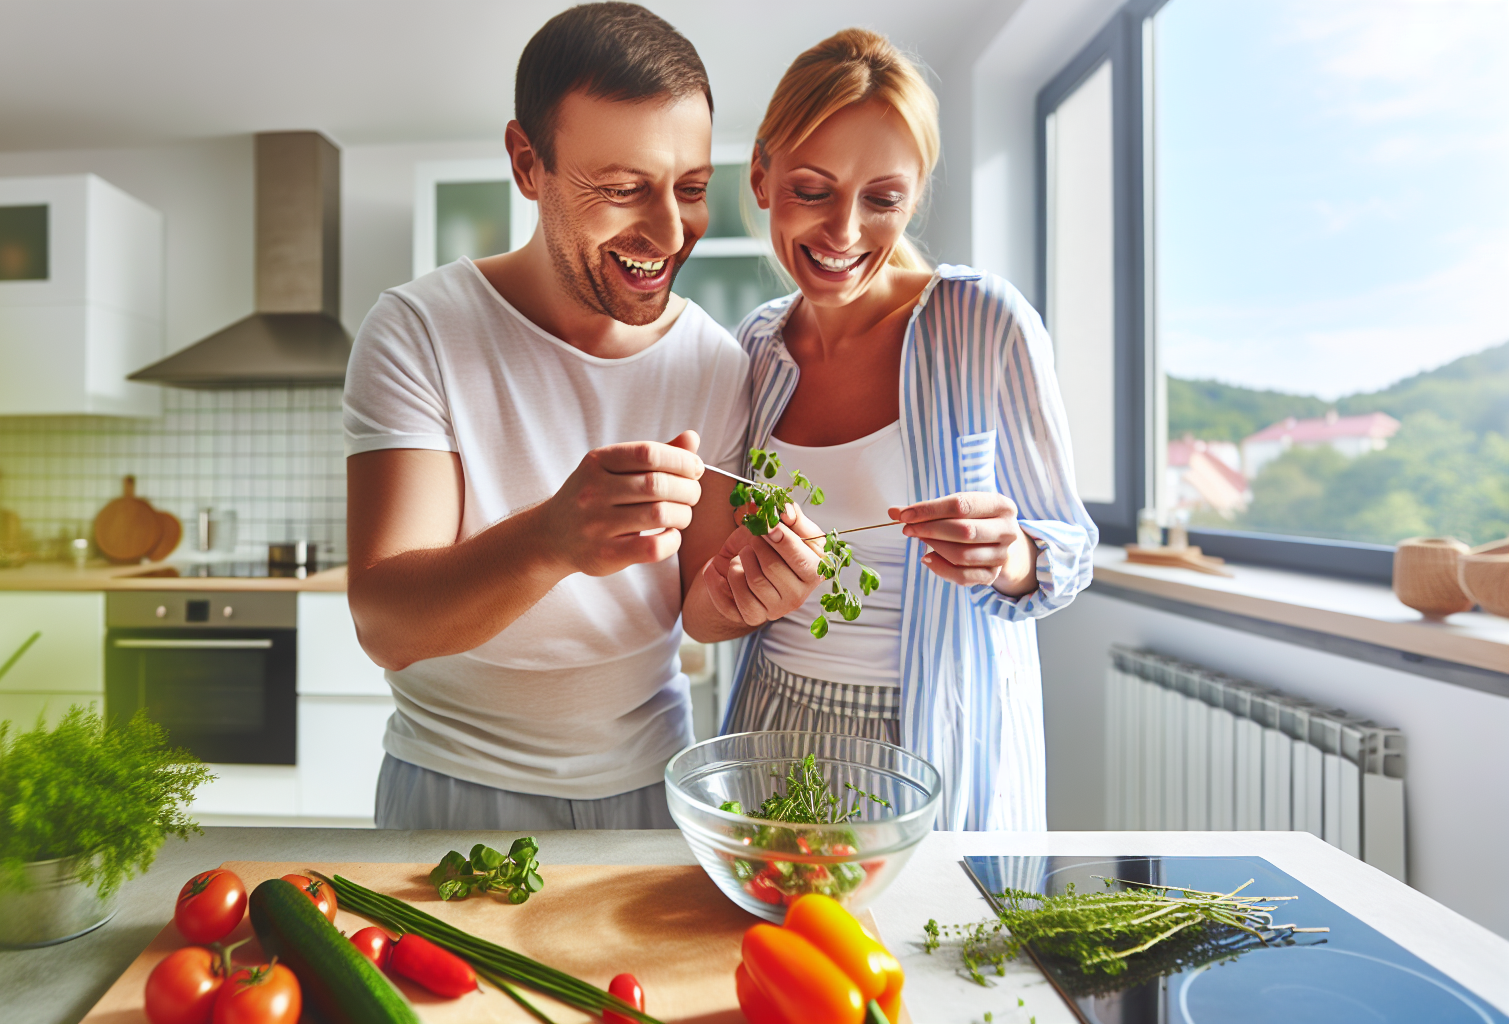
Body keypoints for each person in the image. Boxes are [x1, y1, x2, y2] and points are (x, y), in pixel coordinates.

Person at [344, 3, 772, 830]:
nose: (669, 230)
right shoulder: (419, 330)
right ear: (526, 163)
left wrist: (754, 591)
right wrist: (552, 538)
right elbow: (387, 624)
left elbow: (700, 607)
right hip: (450, 789)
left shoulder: (714, 363)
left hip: (654, 789)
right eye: (621, 190)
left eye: (690, 189)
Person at [683, 29, 1097, 832]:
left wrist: (1009, 556)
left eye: (881, 199)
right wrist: (745, 592)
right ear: (762, 176)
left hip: (941, 743)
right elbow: (705, 609)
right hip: (775, 726)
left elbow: (1070, 548)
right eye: (812, 190)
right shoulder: (756, 351)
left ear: (912, 198)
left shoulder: (983, 321)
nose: (844, 232)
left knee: (943, 951)